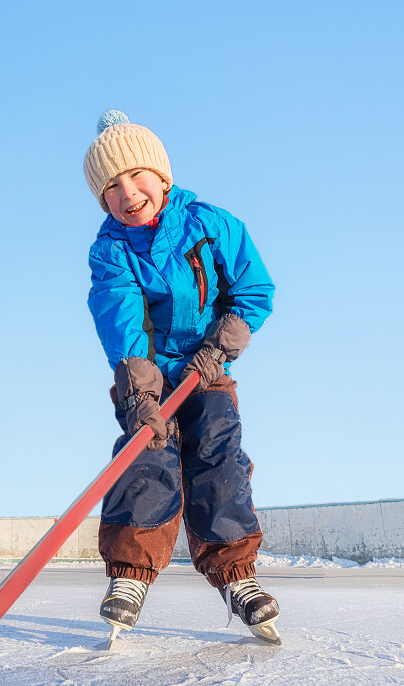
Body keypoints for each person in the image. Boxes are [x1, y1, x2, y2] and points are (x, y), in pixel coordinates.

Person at [82, 109, 280, 645]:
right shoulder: (111, 251)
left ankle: (239, 576)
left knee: (219, 457)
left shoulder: (211, 224)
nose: (126, 193)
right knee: (145, 456)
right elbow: (121, 322)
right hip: (151, 376)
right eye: (110, 188)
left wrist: (220, 346)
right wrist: (141, 394)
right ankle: (129, 575)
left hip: (208, 369)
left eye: (136, 176)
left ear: (162, 177)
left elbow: (253, 289)